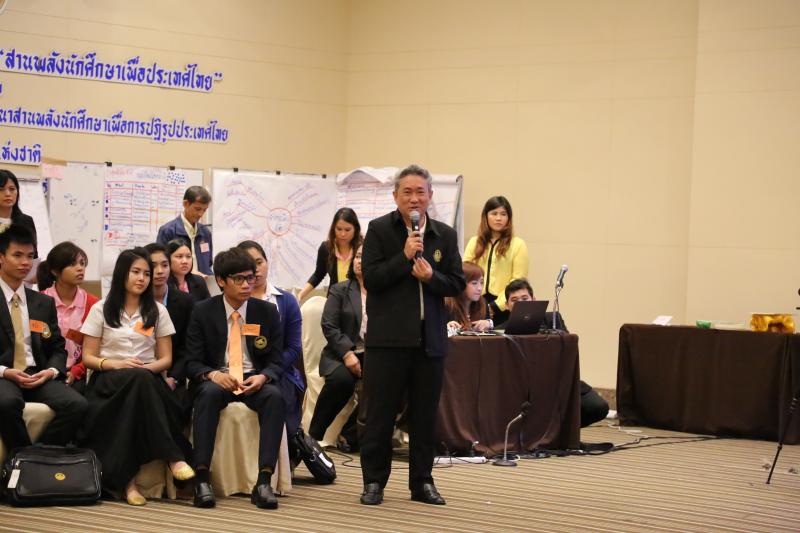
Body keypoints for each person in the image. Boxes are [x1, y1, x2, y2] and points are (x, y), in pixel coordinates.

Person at [359, 164, 465, 506]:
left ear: (430, 196)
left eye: (420, 192)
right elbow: (371, 279)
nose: (414, 198)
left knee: (424, 417)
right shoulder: (379, 230)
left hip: (429, 342)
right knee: (380, 415)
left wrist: (432, 277)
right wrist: (403, 258)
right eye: (407, 192)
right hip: (388, 342)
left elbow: (457, 283)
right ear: (395, 196)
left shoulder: (444, 235)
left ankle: (422, 482)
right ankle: (374, 482)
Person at [79, 248, 194, 505]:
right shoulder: (101, 309)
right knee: (137, 383)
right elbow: (88, 357)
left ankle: (129, 485)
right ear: (122, 274)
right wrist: (117, 364)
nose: (142, 278)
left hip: (146, 378)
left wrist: (144, 369)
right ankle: (174, 457)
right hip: (108, 380)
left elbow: (166, 359)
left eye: (146, 273)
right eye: (136, 272)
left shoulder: (158, 311)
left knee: (137, 388)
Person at [185, 247, 285, 510]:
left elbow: (277, 360)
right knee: (207, 395)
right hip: (218, 377)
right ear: (221, 280)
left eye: (250, 278)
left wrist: (264, 377)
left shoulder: (267, 311)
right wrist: (214, 375)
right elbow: (191, 361)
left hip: (253, 378)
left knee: (275, 397)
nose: (246, 284)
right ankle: (202, 480)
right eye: (239, 279)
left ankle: (264, 481)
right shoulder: (203, 311)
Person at [0, 225, 88, 452]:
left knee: (77, 405)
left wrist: (50, 371)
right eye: (17, 255)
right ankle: (21, 460)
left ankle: (34, 457)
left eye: (30, 256)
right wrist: (5, 372)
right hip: (4, 374)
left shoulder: (42, 302)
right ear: (1, 257)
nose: (25, 262)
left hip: (36, 374)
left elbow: (58, 347)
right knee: (7, 403)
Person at [502, 278, 609, 427]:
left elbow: (569, 348)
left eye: (525, 298)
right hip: (525, 390)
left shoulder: (552, 319)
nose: (521, 303)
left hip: (560, 381)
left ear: (534, 300)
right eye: (514, 300)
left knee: (598, 407)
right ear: (507, 305)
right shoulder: (501, 330)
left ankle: (560, 430)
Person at [236, 240, 304, 449]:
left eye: (259, 262)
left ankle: (283, 455)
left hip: (279, 371)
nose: (255, 270)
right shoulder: (232, 300)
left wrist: (267, 372)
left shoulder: (285, 300)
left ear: (267, 262)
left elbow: (294, 348)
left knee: (279, 395)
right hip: (239, 370)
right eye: (249, 265)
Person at [308, 244, 366, 444]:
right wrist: (347, 353)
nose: (359, 261)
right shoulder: (340, 289)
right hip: (340, 354)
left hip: (374, 355)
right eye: (357, 256)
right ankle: (313, 437)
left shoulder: (383, 294)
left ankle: (348, 435)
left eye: (364, 257)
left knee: (390, 383)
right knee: (342, 382)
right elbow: (329, 325)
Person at [36, 241, 100, 393]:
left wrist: (76, 372)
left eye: (82, 263)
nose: (80, 268)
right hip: (43, 371)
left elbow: (96, 348)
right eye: (72, 264)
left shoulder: (94, 304)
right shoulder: (38, 301)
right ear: (55, 271)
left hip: (79, 373)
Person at [463, 196, 528, 325]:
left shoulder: (518, 244)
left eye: (503, 214)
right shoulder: (474, 242)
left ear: (509, 218)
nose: (499, 218)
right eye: (494, 213)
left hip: (504, 307)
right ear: (486, 216)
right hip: (475, 303)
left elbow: (518, 280)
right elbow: (465, 273)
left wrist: (496, 306)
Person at [144, 242, 195, 405]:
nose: (160, 271)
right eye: (153, 266)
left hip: (174, 373)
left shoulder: (185, 302)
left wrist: (174, 378)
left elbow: (188, 348)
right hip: (142, 372)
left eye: (165, 265)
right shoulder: (136, 302)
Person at [297, 207, 362, 302]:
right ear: (333, 228)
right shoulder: (326, 248)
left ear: (355, 229)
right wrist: (300, 295)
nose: (343, 234)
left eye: (347, 230)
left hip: (357, 301)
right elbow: (318, 275)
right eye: (339, 229)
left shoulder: (363, 248)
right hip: (334, 300)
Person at [156, 185, 213, 275]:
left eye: (204, 210)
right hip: (179, 282)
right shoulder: (167, 231)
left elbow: (208, 262)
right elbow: (161, 265)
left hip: (203, 282)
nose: (201, 214)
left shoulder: (205, 232)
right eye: (197, 209)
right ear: (186, 204)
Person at [445, 262, 492, 335]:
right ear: (461, 283)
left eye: (482, 283)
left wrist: (488, 324)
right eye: (474, 283)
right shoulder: (446, 304)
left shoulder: (483, 303)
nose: (480, 288)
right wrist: (446, 327)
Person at [0, 170, 38, 256]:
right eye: (1, 189)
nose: (8, 194)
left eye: (12, 189)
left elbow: (33, 254)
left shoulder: (26, 221)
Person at [166, 237, 211, 302]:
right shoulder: (163, 284)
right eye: (179, 256)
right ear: (168, 259)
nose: (185, 261)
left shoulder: (199, 281)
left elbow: (208, 305)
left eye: (188, 256)